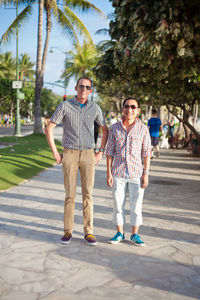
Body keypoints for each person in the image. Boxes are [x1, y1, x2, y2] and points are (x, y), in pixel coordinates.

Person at [45, 77, 109, 246]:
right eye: (81, 86)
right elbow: (49, 127)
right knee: (70, 195)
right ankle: (68, 231)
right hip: (70, 153)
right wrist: (55, 153)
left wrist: (100, 152)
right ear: (76, 88)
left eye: (87, 87)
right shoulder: (64, 106)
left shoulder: (95, 108)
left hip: (89, 154)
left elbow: (104, 129)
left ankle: (89, 232)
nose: (83, 89)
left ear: (90, 90)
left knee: (88, 195)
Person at [106, 97, 151, 247]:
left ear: (138, 110)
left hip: (136, 173)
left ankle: (135, 234)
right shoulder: (114, 128)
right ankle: (119, 233)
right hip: (118, 172)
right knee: (117, 205)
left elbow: (146, 153)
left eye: (133, 107)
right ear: (122, 108)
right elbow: (109, 152)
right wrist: (108, 173)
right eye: (127, 106)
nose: (129, 109)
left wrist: (146, 173)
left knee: (136, 205)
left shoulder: (143, 129)